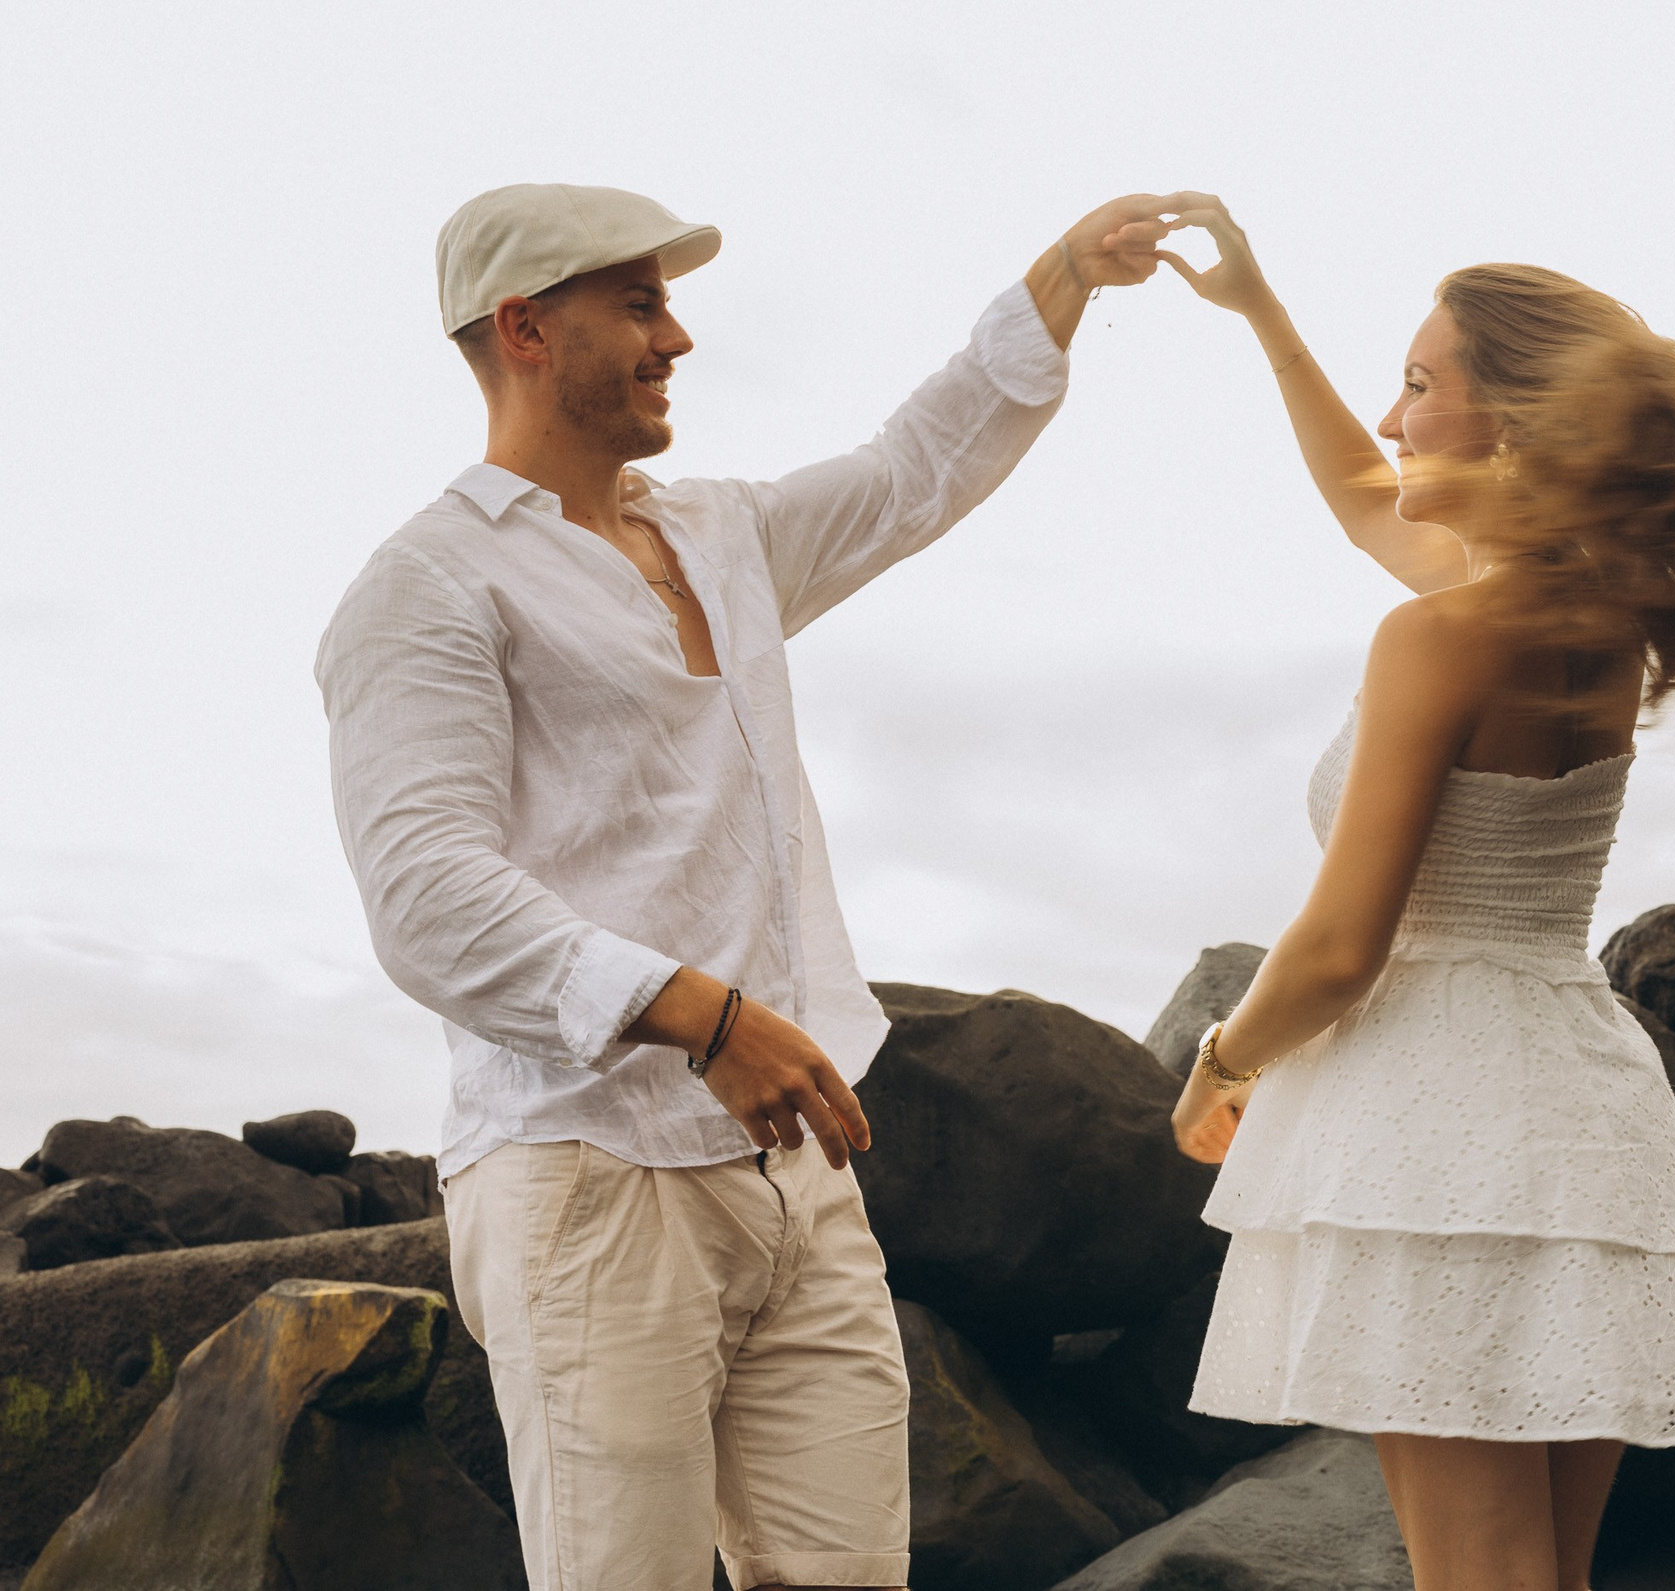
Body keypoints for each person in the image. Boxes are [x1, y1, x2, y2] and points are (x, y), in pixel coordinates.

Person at [316, 182, 1175, 1591]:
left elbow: (913, 472)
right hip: (587, 1179)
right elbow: (425, 892)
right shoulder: (427, 585)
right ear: (527, 328)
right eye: (641, 304)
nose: (679, 337)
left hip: (795, 1174)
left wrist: (1064, 278)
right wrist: (707, 1018)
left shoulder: (723, 535)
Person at [1155, 196, 1675, 1591]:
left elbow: (1345, 944)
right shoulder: (1594, 622)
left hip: (1429, 1119)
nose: (1394, 417)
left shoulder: (1442, 635)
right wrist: (1258, 313)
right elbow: (1366, 496)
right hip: (1569, 1101)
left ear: (1512, 424)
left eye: (1420, 385)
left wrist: (1220, 1061)